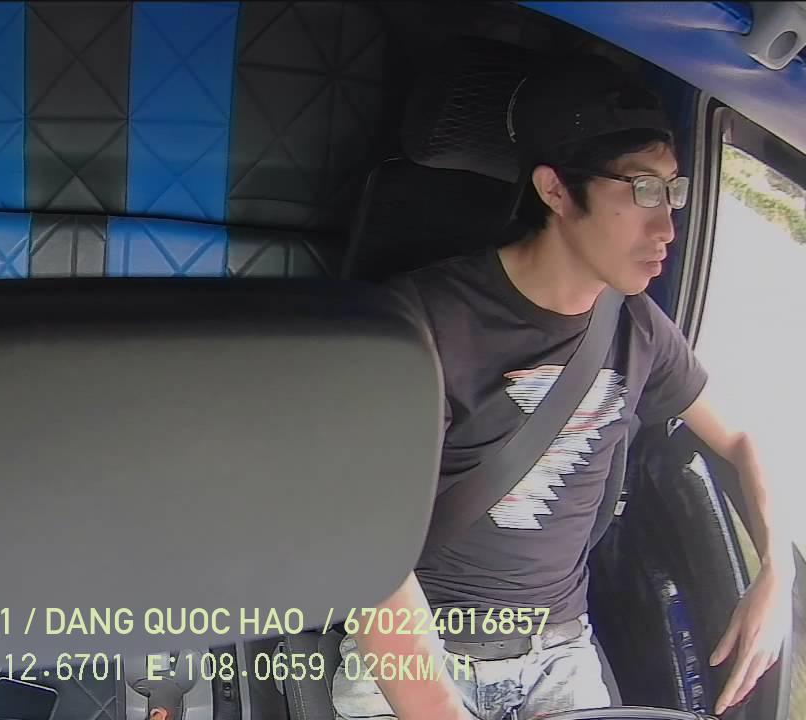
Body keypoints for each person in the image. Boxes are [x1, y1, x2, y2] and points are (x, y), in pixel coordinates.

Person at [331, 55, 794, 720]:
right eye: (641, 190)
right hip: (415, 651)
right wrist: (437, 707)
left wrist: (777, 570)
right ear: (554, 190)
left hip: (559, 655)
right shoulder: (425, 322)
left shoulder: (638, 328)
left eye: (671, 191)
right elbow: (364, 541)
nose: (666, 227)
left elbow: (742, 437)